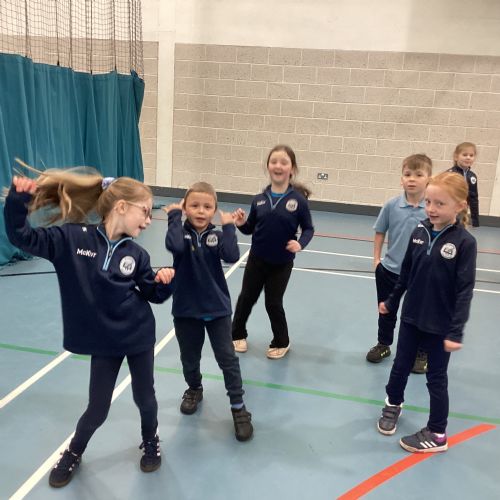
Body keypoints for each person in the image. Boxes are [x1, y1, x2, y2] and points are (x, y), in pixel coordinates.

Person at [4, 168, 175, 487]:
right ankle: (73, 451)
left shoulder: (137, 254)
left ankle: (150, 440)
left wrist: (164, 282)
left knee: (145, 398)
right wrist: (18, 201)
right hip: (103, 341)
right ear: (121, 206)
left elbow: (152, 293)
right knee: (97, 408)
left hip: (138, 336)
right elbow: (22, 237)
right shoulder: (71, 239)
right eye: (145, 211)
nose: (149, 220)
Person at [376, 171, 476, 453]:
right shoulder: (419, 232)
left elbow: (464, 291)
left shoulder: (465, 243)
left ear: (460, 206)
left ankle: (438, 433)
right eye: (429, 202)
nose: (431, 208)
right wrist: (391, 302)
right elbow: (406, 274)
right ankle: (392, 404)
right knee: (400, 367)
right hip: (411, 318)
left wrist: (455, 331)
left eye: (440, 204)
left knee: (436, 379)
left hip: (440, 326)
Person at [164, 181, 253, 442]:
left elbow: (232, 255)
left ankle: (238, 407)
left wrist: (229, 227)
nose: (201, 211)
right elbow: (175, 246)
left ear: (214, 210)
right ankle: (194, 388)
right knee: (189, 359)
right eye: (194, 205)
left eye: (207, 206)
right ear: (185, 208)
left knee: (227, 359)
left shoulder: (218, 235)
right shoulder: (180, 233)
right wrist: (173, 217)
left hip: (217, 309)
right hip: (186, 310)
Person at [231, 145, 314, 359]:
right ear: (267, 166)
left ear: (292, 169)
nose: (278, 166)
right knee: (246, 298)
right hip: (257, 260)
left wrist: (300, 244)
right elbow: (250, 228)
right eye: (274, 161)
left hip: (282, 263)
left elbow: (308, 229)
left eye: (284, 162)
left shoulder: (298, 201)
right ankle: (237, 334)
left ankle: (281, 341)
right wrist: (241, 223)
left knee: (273, 303)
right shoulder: (259, 199)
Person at [366, 154, 432, 374]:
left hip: (420, 274)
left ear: (428, 179)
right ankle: (383, 344)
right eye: (407, 174)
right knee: (386, 310)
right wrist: (377, 260)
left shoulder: (431, 209)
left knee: (419, 314)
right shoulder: (391, 205)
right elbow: (380, 231)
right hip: (390, 270)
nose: (412, 179)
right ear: (401, 179)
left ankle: (421, 352)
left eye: (418, 174)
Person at [448, 142, 480, 227]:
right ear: (456, 157)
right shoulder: (450, 174)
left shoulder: (472, 176)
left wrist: (475, 219)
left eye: (471, 155)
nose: (468, 157)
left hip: (463, 212)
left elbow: (474, 198)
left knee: (461, 231)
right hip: (449, 211)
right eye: (465, 155)